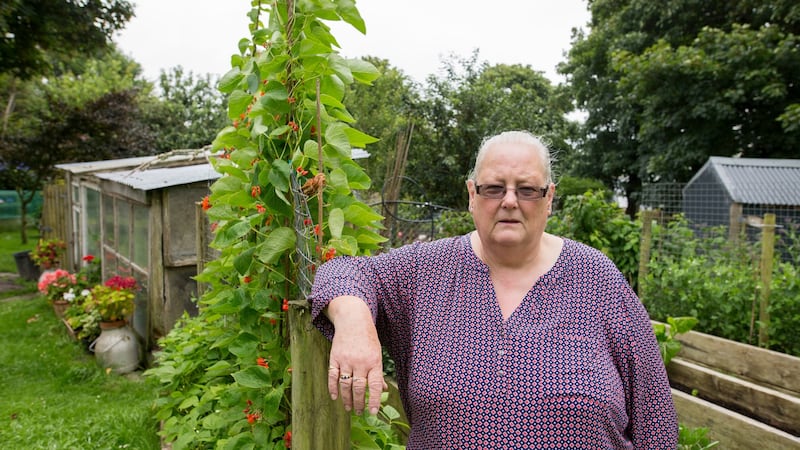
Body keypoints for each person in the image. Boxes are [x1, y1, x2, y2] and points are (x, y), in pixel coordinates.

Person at [310, 130, 678, 449]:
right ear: (472, 194)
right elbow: (343, 271)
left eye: (528, 189)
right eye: (494, 188)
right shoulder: (426, 271)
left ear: (549, 198)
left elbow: (656, 426)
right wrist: (354, 322)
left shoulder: (597, 280)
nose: (510, 201)